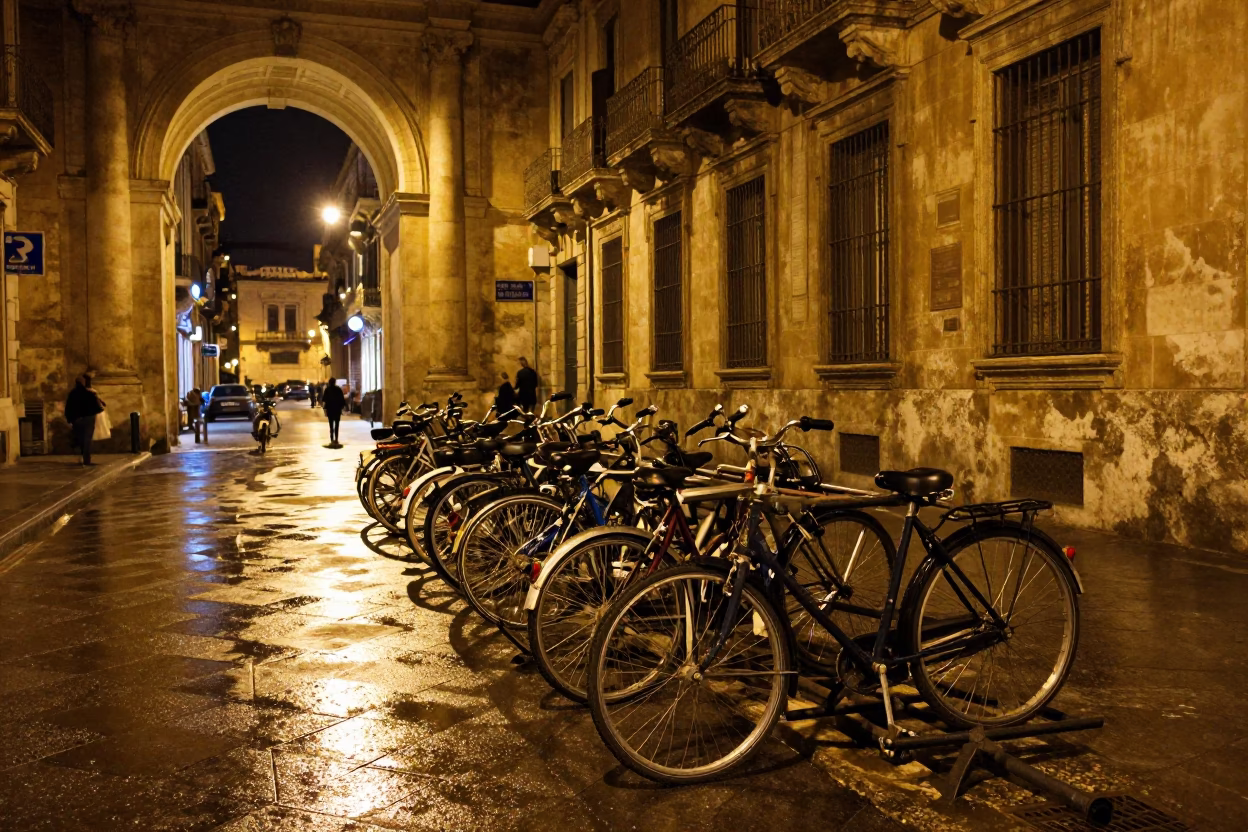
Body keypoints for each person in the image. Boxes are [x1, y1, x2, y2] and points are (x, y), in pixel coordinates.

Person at [65, 373, 103, 466]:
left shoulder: (72, 394)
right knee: (87, 440)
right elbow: (97, 407)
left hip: (76, 420)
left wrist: (70, 419)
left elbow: (68, 408)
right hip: (88, 419)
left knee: (80, 438)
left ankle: (82, 456)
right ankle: (86, 459)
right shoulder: (89, 393)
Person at [321, 377, 346, 447]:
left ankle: (332, 439)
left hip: (330, 410)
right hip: (337, 410)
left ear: (329, 382)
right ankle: (336, 439)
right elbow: (342, 400)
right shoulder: (338, 389)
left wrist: (325, 409)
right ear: (335, 382)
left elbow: (324, 400)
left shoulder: (327, 389)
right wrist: (342, 407)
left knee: (331, 426)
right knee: (337, 425)